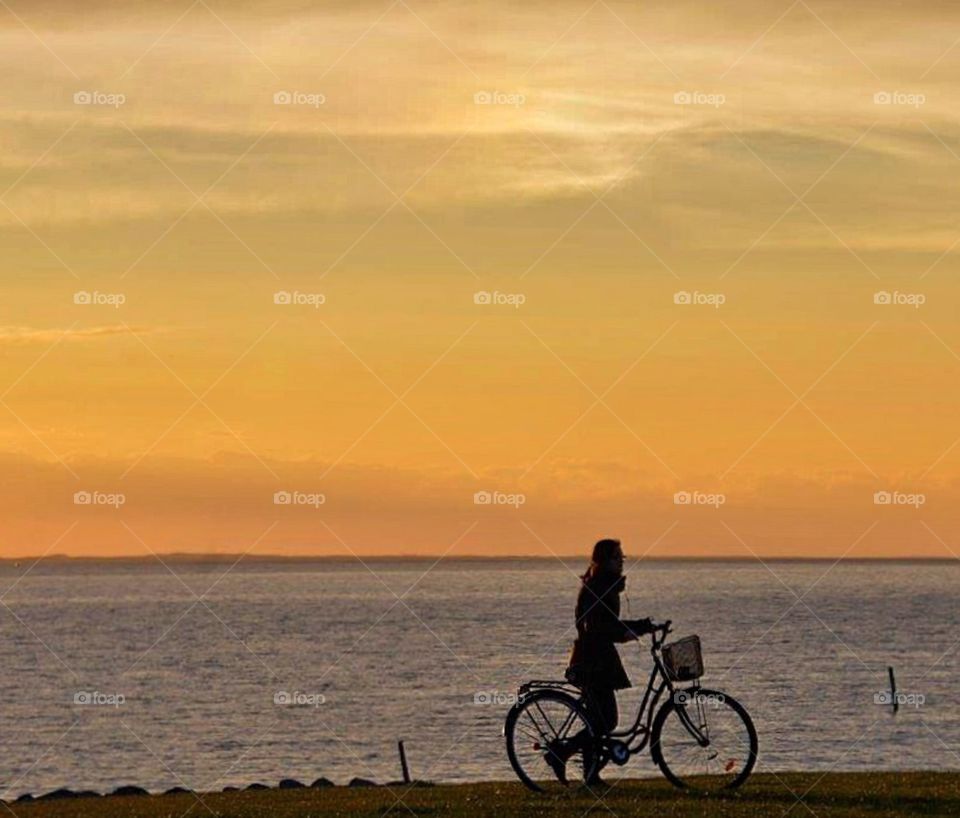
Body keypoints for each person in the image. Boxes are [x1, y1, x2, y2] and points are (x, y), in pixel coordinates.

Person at [547, 538, 653, 786]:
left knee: (600, 719)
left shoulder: (605, 585)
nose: (621, 562)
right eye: (617, 557)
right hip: (591, 661)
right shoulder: (598, 586)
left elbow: (609, 624)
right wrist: (627, 632)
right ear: (605, 560)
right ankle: (562, 753)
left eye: (622, 558)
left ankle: (590, 774)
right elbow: (596, 626)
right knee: (604, 720)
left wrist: (643, 626)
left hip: (600, 659)